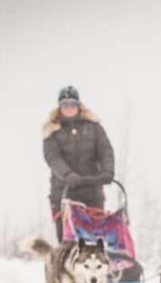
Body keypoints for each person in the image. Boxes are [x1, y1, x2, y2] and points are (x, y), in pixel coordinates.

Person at [43, 85, 115, 242]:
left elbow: (105, 150)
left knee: (96, 241)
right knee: (67, 242)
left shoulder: (94, 128)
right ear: (59, 107)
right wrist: (67, 174)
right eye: (65, 104)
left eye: (72, 104)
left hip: (92, 192)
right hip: (64, 192)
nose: (69, 108)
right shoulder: (52, 132)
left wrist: (108, 171)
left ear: (78, 105)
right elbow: (53, 158)